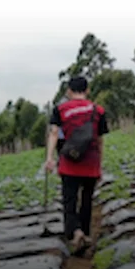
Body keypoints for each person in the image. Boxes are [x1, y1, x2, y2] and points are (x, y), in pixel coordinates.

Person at [45, 76, 109, 254]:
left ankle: (75, 233)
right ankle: (86, 235)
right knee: (87, 200)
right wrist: (100, 164)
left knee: (69, 201)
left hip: (69, 162)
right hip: (91, 162)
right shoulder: (98, 110)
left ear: (68, 91)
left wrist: (50, 158)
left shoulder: (60, 109)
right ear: (87, 90)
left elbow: (54, 133)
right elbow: (100, 139)